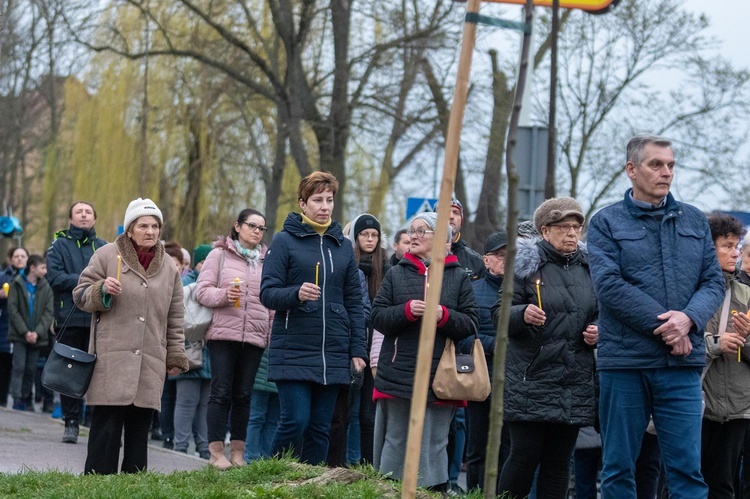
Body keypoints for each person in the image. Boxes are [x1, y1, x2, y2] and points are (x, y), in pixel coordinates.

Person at [587, 134, 725, 498]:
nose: (666, 172)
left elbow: (713, 282)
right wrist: (669, 327)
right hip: (625, 363)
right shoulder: (605, 223)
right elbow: (609, 286)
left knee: (687, 471)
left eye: (671, 165)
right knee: (619, 467)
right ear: (631, 170)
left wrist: (688, 320)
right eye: (656, 164)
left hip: (680, 368)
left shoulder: (695, 221)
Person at [74, 197, 188, 475]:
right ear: (129, 229)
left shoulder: (169, 268)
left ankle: (134, 486)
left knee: (140, 431)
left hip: (150, 358)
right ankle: (97, 485)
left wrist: (175, 353)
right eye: (143, 226)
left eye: (155, 226)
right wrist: (101, 290)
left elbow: (175, 316)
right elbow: (80, 295)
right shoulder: (106, 255)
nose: (150, 231)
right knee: (106, 428)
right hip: (111, 357)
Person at [260, 171, 367, 465]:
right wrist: (296, 293)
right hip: (292, 347)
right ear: (302, 203)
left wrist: (358, 349)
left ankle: (312, 484)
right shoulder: (284, 241)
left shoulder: (344, 246)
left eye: (329, 200)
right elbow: (267, 293)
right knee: (295, 420)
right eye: (317, 200)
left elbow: (355, 303)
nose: (324, 206)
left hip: (332, 350)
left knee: (321, 428)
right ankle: (272, 476)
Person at [496, 197, 598, 499]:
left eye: (576, 227)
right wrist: (521, 314)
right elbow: (498, 313)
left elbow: (601, 312)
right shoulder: (526, 265)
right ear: (545, 230)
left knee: (558, 463)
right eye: (563, 227)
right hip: (531, 378)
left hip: (573, 379)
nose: (571, 234)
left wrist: (598, 331)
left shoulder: (589, 268)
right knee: (524, 457)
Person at [370, 211, 478, 491]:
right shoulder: (396, 273)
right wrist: (406, 311)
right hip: (398, 372)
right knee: (397, 436)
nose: (413, 236)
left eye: (422, 231)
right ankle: (389, 490)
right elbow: (378, 316)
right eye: (412, 230)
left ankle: (431, 491)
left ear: (444, 240)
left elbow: (470, 323)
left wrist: (442, 315)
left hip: (439, 375)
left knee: (434, 439)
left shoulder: (458, 277)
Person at [196, 208, 273, 470]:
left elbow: (271, 303)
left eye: (262, 228)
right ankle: (216, 451)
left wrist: (269, 333)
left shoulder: (268, 261)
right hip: (223, 334)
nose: (257, 231)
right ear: (237, 226)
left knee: (243, 395)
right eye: (252, 225)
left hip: (254, 336)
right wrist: (223, 295)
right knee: (220, 392)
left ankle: (238, 452)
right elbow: (202, 292)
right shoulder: (218, 255)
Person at [46, 201, 107, 441]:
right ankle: (70, 422)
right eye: (79, 212)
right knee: (69, 371)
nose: (84, 215)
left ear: (94, 218)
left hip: (98, 317)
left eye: (88, 212)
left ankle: (95, 420)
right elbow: (54, 277)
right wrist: (87, 281)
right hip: (69, 317)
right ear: (71, 218)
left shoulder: (103, 247)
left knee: (98, 371)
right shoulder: (59, 245)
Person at [700, 213, 750, 498]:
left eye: (737, 246)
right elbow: (677, 338)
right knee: (684, 482)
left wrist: (747, 337)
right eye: (728, 246)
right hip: (698, 404)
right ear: (709, 248)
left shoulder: (746, 293)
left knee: (723, 486)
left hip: (737, 407)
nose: (735, 253)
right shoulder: (691, 290)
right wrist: (717, 343)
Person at [463, 231, 509, 492]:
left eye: (509, 256)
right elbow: (463, 336)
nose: (505, 261)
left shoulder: (521, 291)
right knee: (477, 447)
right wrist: (497, 347)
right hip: (480, 379)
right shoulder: (472, 290)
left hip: (512, 381)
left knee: (507, 447)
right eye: (500, 256)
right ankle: (475, 493)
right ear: (486, 260)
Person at [344, 213, 391, 465]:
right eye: (364, 234)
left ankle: (367, 464)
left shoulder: (387, 265)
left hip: (378, 343)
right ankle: (345, 460)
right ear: (356, 236)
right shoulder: (348, 262)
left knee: (368, 413)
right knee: (347, 407)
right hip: (354, 338)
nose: (370, 239)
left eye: (374, 235)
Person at [170, 243, 213, 460]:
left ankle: (204, 448)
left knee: (206, 405)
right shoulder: (185, 284)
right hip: (190, 350)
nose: (207, 266)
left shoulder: (217, 286)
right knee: (186, 402)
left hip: (210, 355)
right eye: (204, 261)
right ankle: (180, 446)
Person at [8, 254, 54, 411]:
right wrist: (24, 331)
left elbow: (49, 312)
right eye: (42, 267)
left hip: (37, 337)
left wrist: (37, 333)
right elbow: (13, 309)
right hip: (20, 336)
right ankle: (16, 398)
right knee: (19, 366)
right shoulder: (17, 284)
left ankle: (26, 398)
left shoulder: (46, 287)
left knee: (30, 369)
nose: (45, 271)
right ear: (32, 268)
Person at [0, 247, 29, 407]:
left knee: (24, 367)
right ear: (11, 259)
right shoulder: (3, 277)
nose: (19, 259)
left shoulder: (32, 278)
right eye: (16, 256)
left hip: (25, 327)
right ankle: (2, 400)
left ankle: (23, 400)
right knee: (4, 366)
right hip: (4, 325)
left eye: (23, 256)